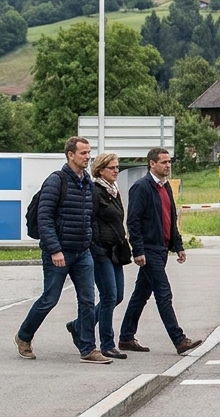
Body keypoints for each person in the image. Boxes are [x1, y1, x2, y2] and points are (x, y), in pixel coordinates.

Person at [15, 137, 106, 363]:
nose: (88, 157)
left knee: (87, 299)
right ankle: (24, 336)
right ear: (70, 155)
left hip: (82, 252)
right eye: (83, 153)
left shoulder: (87, 183)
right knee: (50, 298)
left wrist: (90, 242)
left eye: (89, 153)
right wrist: (55, 250)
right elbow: (43, 218)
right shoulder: (56, 181)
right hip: (58, 252)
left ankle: (88, 348)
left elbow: (90, 218)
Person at [119, 147, 201, 356]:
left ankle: (126, 337)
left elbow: (170, 218)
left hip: (162, 248)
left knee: (141, 294)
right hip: (148, 249)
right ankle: (179, 339)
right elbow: (133, 221)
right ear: (152, 164)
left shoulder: (166, 187)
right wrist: (137, 250)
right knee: (163, 293)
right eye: (163, 162)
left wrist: (178, 245)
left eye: (169, 162)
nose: (168, 165)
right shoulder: (142, 187)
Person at [75, 153, 132, 360]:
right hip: (100, 251)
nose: (116, 171)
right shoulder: (95, 190)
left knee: (117, 296)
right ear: (100, 170)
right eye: (112, 168)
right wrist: (95, 245)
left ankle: (79, 325)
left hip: (115, 250)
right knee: (108, 296)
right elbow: (89, 220)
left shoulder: (114, 191)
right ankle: (107, 344)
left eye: (117, 167)